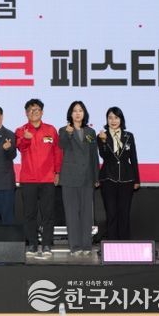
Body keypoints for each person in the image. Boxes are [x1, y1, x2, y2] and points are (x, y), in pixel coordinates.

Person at [15, 99, 62, 257]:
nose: (33, 113)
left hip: (48, 179)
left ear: (42, 112)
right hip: (28, 179)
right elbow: (20, 147)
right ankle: (32, 244)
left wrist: (57, 172)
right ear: (26, 113)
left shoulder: (51, 130)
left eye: (36, 110)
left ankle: (47, 244)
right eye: (30, 110)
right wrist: (26, 138)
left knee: (48, 214)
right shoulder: (21, 130)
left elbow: (57, 152)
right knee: (29, 214)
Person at [58, 101, 99, 256]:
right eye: (74, 110)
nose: (77, 113)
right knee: (71, 213)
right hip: (69, 177)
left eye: (80, 110)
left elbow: (94, 155)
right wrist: (68, 133)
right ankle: (75, 246)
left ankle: (86, 246)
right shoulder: (64, 130)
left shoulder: (90, 132)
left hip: (87, 177)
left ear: (84, 113)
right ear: (70, 113)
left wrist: (96, 176)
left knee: (87, 214)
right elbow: (62, 145)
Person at [98, 106, 140, 240]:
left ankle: (124, 243)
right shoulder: (102, 136)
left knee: (124, 213)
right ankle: (111, 244)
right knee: (111, 213)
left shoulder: (129, 136)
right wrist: (103, 141)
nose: (113, 121)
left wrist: (137, 179)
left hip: (127, 179)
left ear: (121, 119)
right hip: (108, 178)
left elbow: (133, 158)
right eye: (110, 118)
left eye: (116, 118)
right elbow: (103, 155)